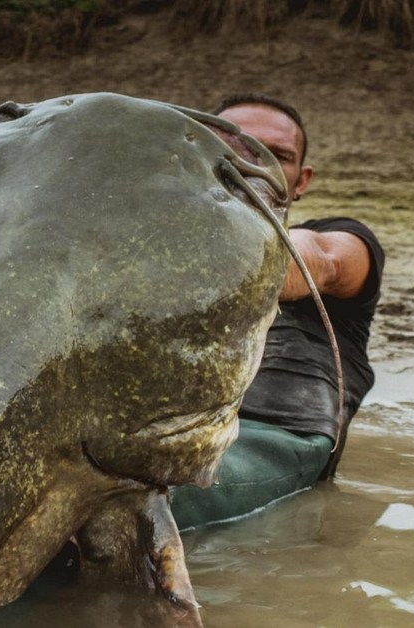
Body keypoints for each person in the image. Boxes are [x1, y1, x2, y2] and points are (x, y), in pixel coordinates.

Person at [169, 94, 386, 530]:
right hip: (155, 434)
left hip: (274, 438)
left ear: (301, 179)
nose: (251, 165)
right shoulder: (149, 243)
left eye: (276, 155)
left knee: (114, 507)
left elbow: (322, 260)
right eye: (234, 148)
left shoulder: (345, 239)